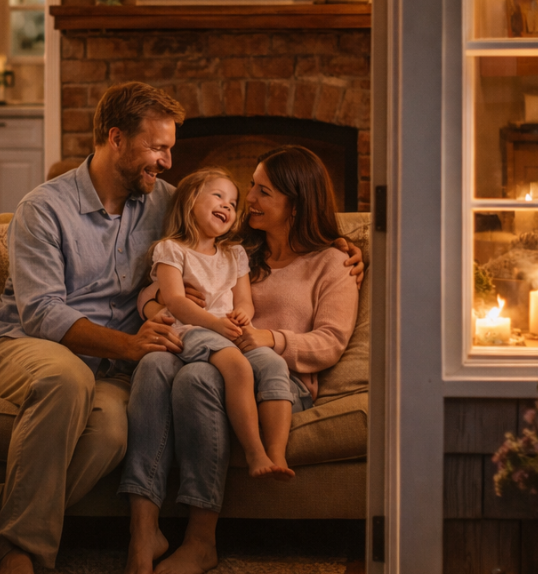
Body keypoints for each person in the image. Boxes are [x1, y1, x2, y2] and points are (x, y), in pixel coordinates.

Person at [0, 82, 187, 574]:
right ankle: (22, 557)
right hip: (26, 345)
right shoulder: (43, 208)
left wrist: (341, 249)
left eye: (169, 150)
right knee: (66, 379)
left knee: (113, 433)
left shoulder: (166, 204)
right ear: (115, 138)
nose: (166, 162)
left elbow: (234, 238)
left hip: (110, 368)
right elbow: (43, 314)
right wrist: (132, 346)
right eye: (157, 148)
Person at [121, 146, 361, 574]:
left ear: (295, 204)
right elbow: (164, 285)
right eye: (250, 186)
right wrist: (153, 304)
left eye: (262, 191)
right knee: (157, 363)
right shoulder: (240, 249)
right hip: (216, 354)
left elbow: (331, 342)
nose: (247, 199)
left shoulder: (333, 262)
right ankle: (143, 527)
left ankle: (200, 540)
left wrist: (269, 338)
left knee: (195, 378)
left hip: (278, 381)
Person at [148, 168, 295, 481]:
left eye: (233, 201)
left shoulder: (234, 253)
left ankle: (277, 454)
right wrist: (215, 326)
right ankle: (255, 453)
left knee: (273, 364)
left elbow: (243, 300)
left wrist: (242, 313)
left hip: (229, 331)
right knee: (238, 367)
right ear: (189, 201)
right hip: (192, 330)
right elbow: (174, 302)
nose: (228, 206)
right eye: (218, 196)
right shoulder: (171, 249)